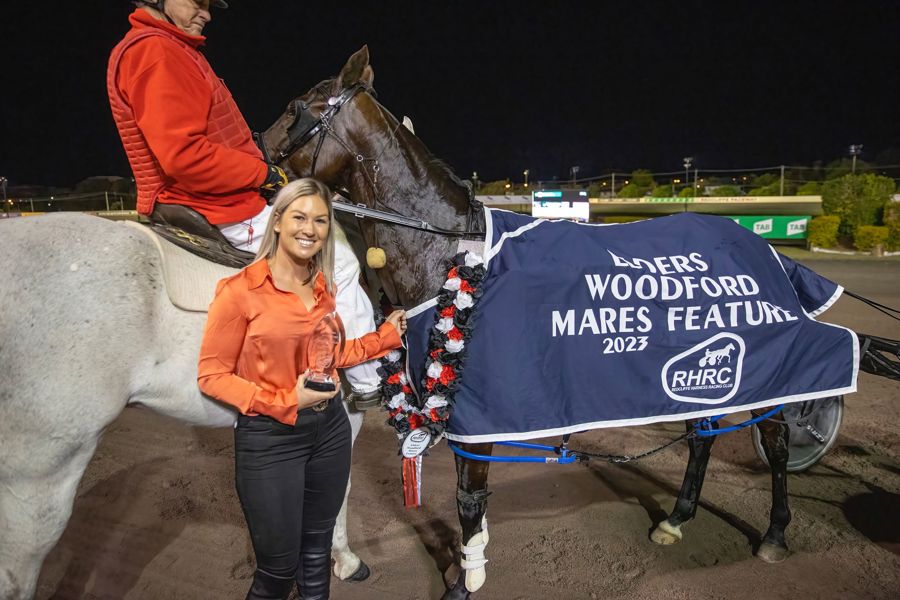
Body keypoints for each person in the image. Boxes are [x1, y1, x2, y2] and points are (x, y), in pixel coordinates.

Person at [107, 0, 385, 403]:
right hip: (211, 202)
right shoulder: (156, 52)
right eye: (197, 2)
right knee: (337, 258)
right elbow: (183, 156)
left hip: (210, 194)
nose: (206, 13)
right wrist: (263, 175)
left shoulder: (171, 47)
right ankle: (367, 380)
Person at [198, 178, 407, 600]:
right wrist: (287, 400)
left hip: (330, 432)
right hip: (270, 441)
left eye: (320, 220)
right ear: (277, 222)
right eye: (299, 217)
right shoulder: (239, 292)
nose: (309, 229)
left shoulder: (322, 287)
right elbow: (211, 375)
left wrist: (384, 337)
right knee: (276, 574)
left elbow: (329, 355)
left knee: (316, 557)